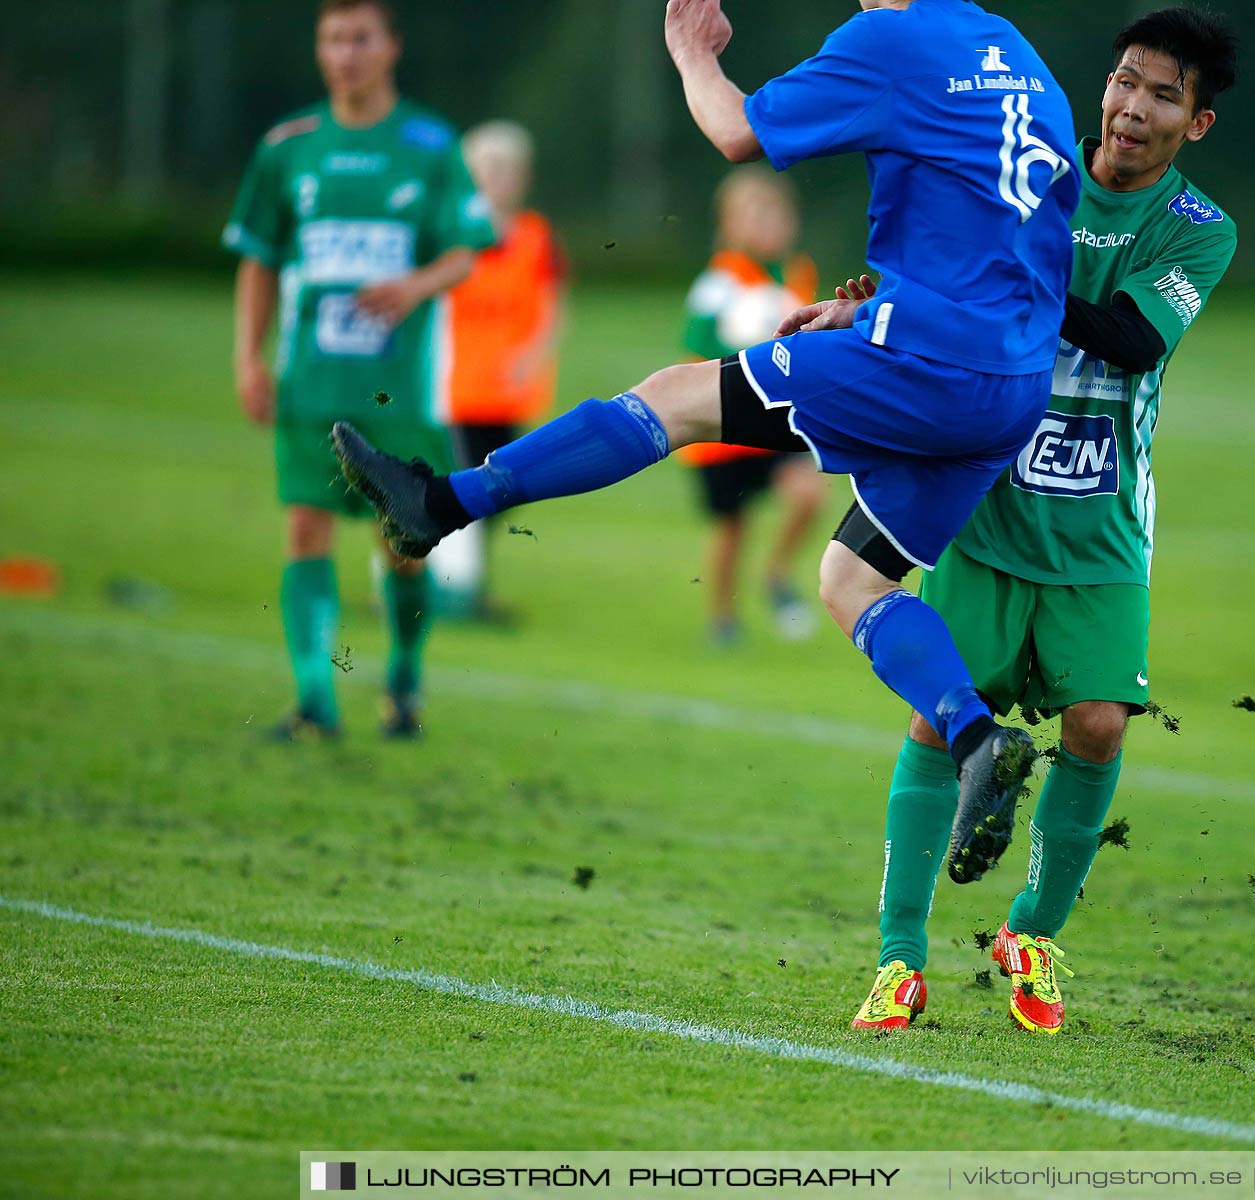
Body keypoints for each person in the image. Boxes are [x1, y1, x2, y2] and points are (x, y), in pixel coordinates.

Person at [332, 0, 1078, 862]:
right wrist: (873, 306)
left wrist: (690, 54)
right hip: (1013, 385)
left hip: (930, 364)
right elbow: (1020, 234)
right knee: (853, 580)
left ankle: (439, 504)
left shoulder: (893, 36)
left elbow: (733, 132)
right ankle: (978, 737)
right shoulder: (1018, 53)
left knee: (676, 396)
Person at [849, 7, 1239, 1034]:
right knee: (939, 717)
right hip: (985, 501)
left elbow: (1127, 339)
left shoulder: (1199, 230)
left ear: (1195, 124)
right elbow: (933, 276)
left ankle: (1033, 933)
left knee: (1101, 724)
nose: (1133, 107)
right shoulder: (1025, 174)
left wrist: (1011, 256)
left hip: (1101, 526)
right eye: (1124, 81)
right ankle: (898, 960)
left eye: (1164, 94)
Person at [225, 0, 494, 740]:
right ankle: (316, 698)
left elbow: (466, 250)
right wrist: (248, 357)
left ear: (390, 48)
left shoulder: (430, 144)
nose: (346, 53)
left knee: (404, 545)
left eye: (360, 38)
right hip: (309, 383)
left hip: (401, 389)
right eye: (333, 38)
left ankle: (403, 682)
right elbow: (258, 257)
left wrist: (412, 286)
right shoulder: (288, 146)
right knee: (304, 530)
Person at [679, 166, 829, 646]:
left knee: (809, 496)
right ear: (729, 224)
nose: (767, 224)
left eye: (775, 214)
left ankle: (777, 574)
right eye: (754, 215)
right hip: (724, 427)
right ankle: (722, 619)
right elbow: (698, 346)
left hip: (778, 419)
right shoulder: (719, 282)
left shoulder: (798, 273)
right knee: (731, 528)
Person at [431, 119, 567, 622]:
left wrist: (534, 356)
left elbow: (550, 306)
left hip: (504, 390)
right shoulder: (450, 232)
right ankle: (448, 592)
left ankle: (465, 586)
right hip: (453, 386)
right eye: (486, 169)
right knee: (454, 485)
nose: (496, 179)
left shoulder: (534, 235)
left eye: (506, 170)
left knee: (496, 493)